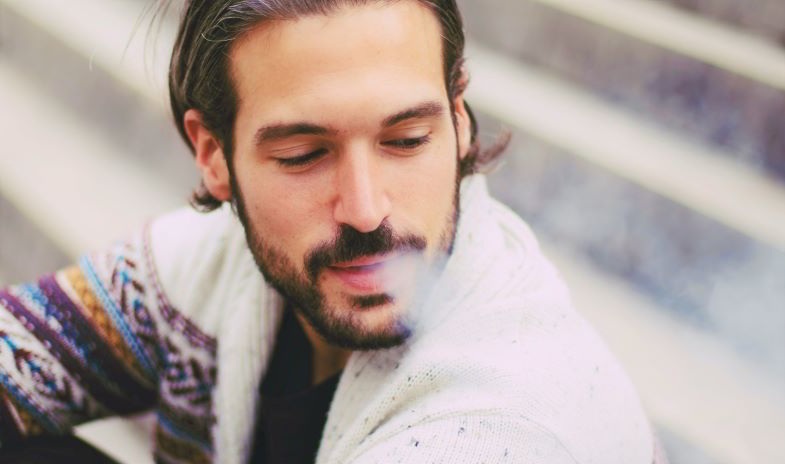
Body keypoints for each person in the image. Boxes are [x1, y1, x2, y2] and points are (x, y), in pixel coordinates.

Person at [0, 0, 665, 463]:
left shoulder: (502, 427)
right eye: (303, 155)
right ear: (213, 154)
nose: (366, 210)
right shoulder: (207, 271)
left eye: (405, 140)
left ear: (458, 124)